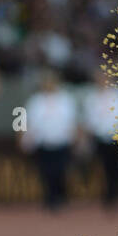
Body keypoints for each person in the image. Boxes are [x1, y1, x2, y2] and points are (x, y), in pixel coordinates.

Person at [22, 73, 78, 210]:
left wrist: (75, 137)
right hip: (43, 142)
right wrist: (24, 138)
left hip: (62, 141)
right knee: (46, 172)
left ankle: (60, 196)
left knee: (60, 171)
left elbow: (73, 121)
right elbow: (26, 122)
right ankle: (50, 198)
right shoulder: (35, 100)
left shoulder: (66, 99)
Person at [82, 70, 118, 208]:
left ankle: (113, 194)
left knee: (116, 167)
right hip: (98, 137)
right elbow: (89, 117)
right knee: (100, 166)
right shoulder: (92, 97)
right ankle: (103, 193)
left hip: (117, 136)